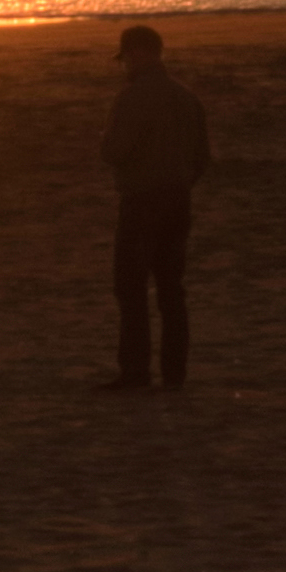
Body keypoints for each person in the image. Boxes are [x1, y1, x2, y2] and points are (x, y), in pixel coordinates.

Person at [100, 23, 210, 390]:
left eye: (127, 57)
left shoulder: (134, 97)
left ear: (138, 53)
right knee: (171, 289)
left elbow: (114, 151)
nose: (125, 65)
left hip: (142, 199)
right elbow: (202, 157)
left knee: (131, 288)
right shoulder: (185, 96)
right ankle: (174, 373)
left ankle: (135, 372)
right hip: (178, 198)